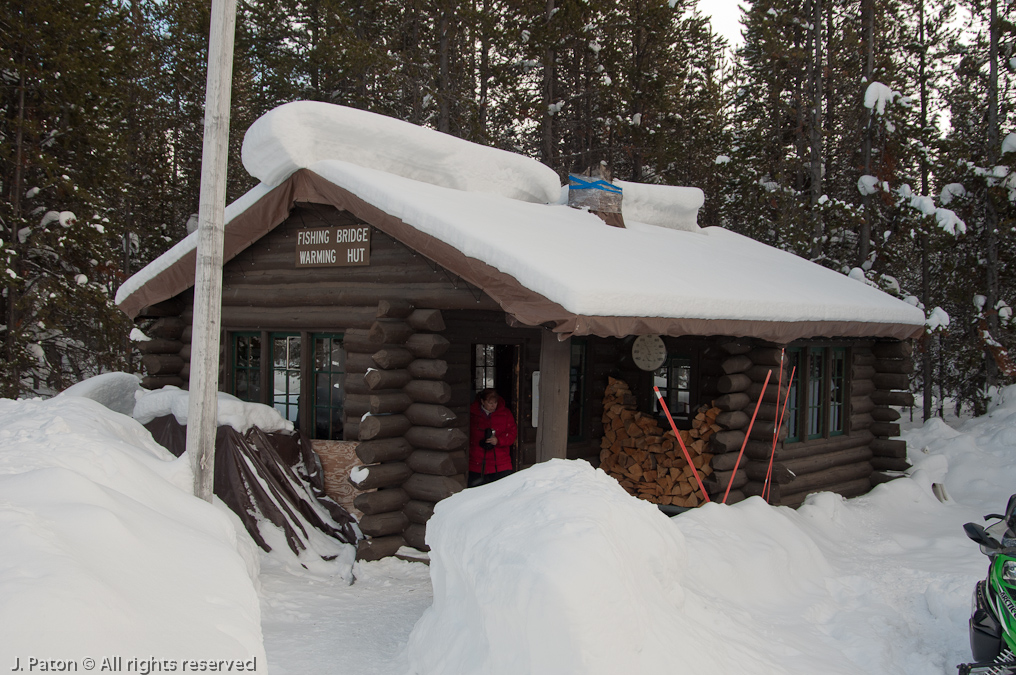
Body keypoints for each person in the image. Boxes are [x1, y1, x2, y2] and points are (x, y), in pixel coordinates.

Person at [468, 388, 517, 487]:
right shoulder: (473, 414)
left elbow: (512, 434)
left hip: (501, 464)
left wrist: (498, 440)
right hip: (477, 464)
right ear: (482, 401)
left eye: (495, 402)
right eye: (490, 403)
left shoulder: (505, 414)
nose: (493, 406)